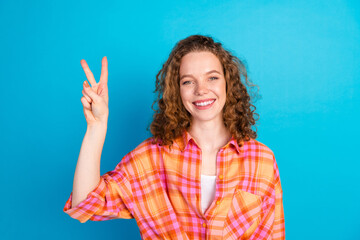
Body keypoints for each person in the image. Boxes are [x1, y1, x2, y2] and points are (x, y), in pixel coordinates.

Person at [64, 35, 285, 239]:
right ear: (176, 90)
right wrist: (97, 127)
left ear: (228, 82)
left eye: (212, 78)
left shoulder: (261, 160)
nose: (201, 90)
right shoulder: (151, 157)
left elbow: (273, 234)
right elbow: (85, 204)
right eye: (188, 81)